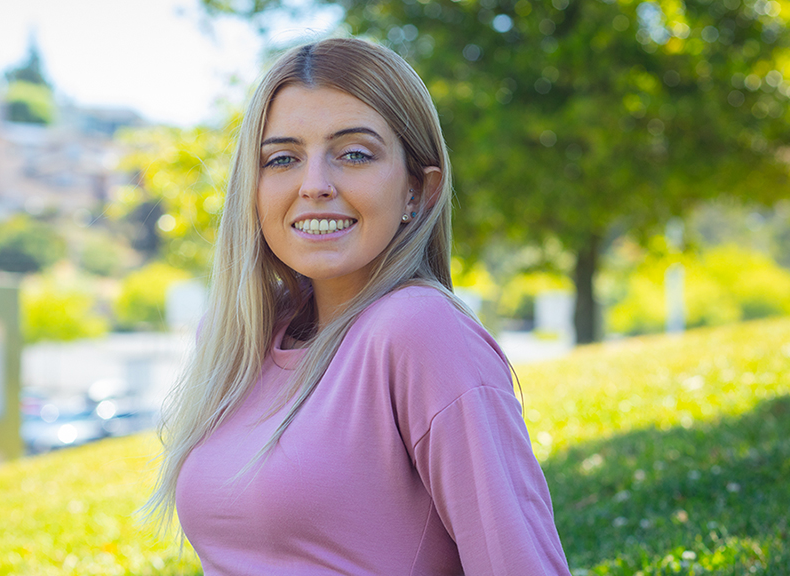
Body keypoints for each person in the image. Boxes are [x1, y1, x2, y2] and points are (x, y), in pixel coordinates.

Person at [148, 37, 570, 575]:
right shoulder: (237, 340)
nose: (315, 185)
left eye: (354, 154)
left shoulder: (420, 331)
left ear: (418, 190)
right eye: (282, 158)